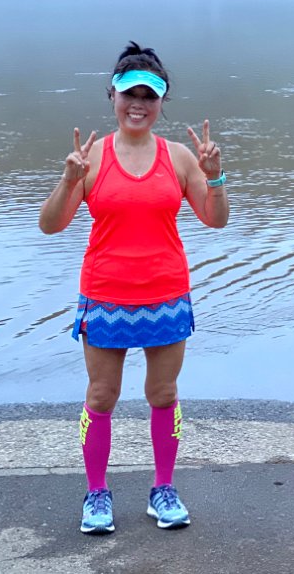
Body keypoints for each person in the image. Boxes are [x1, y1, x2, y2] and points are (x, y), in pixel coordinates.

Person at [39, 41, 229, 535]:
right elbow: (50, 225)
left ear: (162, 101)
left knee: (163, 394)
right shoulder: (91, 159)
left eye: (149, 95)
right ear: (112, 97)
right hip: (105, 295)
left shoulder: (180, 157)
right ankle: (96, 494)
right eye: (129, 94)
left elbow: (215, 219)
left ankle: (163, 489)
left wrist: (215, 178)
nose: (138, 104)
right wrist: (68, 181)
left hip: (166, 294)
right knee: (102, 395)